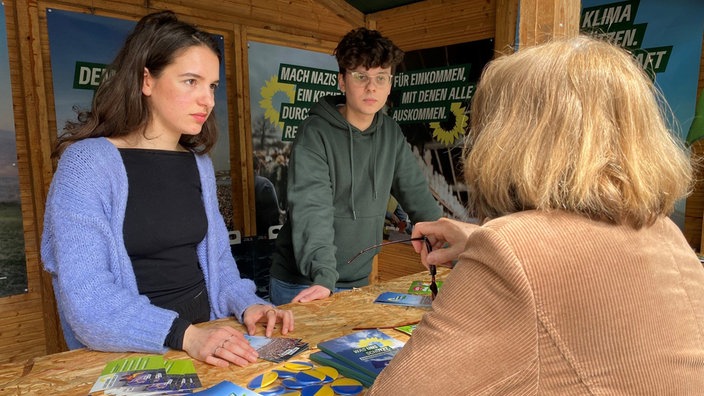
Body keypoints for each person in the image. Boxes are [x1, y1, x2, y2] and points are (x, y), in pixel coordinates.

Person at [368, 36, 704, 394]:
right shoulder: (664, 231)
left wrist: (498, 245)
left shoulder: (512, 249)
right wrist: (478, 240)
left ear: (509, 137)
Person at [41, 10, 293, 368]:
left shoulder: (197, 163)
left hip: (208, 336)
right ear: (147, 80)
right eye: (191, 81)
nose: (206, 100)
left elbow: (218, 261)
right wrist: (185, 335)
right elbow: (88, 300)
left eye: (212, 86)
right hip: (134, 352)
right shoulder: (87, 164)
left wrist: (247, 303)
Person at [269, 27, 442, 305]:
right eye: (361, 76)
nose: (371, 87)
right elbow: (312, 208)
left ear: (390, 83)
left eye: (380, 78)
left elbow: (416, 193)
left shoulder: (390, 133)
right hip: (304, 282)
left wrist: (444, 241)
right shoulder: (315, 133)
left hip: (357, 280)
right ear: (342, 81)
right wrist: (324, 276)